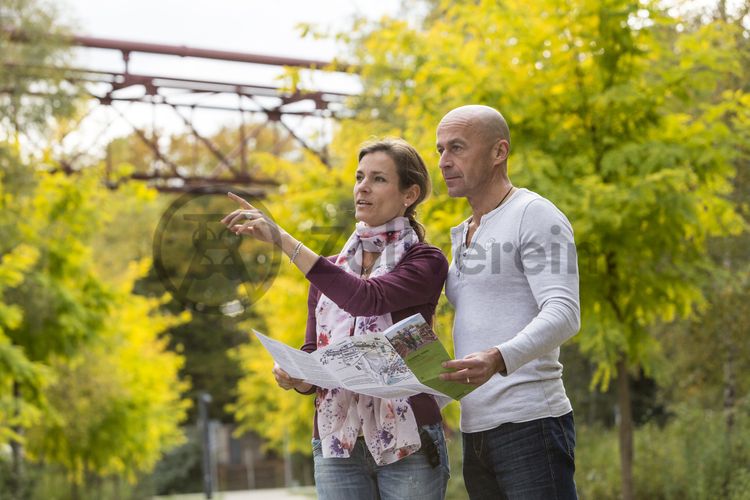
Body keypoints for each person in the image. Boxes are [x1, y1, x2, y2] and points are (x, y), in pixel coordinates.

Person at [221, 138, 450, 500]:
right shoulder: (331, 269)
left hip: (410, 436)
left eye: (378, 179)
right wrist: (296, 375)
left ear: (410, 194)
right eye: (359, 177)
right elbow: (315, 351)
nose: (362, 186)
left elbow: (366, 299)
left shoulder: (426, 260)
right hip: (336, 441)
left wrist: (283, 240)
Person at [436, 105, 580, 499]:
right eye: (440, 150)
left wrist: (498, 357)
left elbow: (565, 313)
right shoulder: (463, 233)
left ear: (499, 152)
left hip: (530, 422)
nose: (445, 162)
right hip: (475, 427)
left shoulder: (533, 214)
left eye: (458, 148)